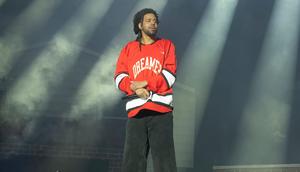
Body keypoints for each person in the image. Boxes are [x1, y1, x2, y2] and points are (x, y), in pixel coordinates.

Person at [114, 8, 177, 172]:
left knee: (165, 162)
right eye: (149, 20)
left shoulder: (167, 45)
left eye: (155, 21)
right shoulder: (128, 49)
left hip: (161, 111)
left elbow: (169, 76)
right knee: (132, 163)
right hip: (136, 113)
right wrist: (133, 87)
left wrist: (144, 85)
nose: (153, 23)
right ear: (139, 25)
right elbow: (119, 77)